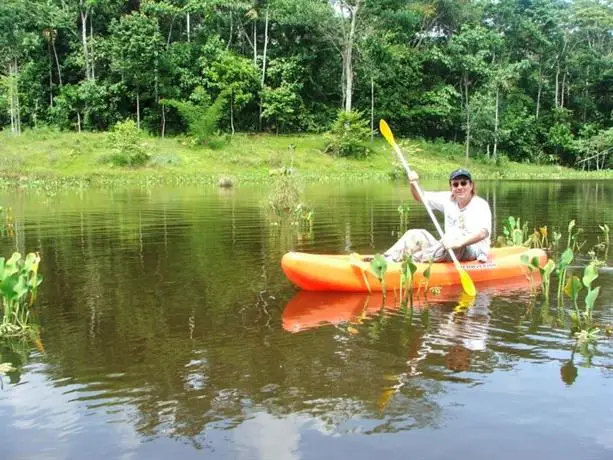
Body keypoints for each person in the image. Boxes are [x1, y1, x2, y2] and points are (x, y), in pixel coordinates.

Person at [384, 168, 492, 263]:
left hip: (473, 251)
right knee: (416, 234)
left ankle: (412, 260)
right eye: (455, 184)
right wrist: (414, 183)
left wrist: (459, 242)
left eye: (463, 183)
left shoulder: (480, 205)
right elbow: (421, 197)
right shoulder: (448, 199)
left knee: (454, 235)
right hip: (448, 246)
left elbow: (483, 233)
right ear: (451, 187)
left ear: (471, 185)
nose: (459, 187)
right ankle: (387, 259)